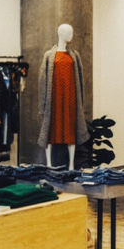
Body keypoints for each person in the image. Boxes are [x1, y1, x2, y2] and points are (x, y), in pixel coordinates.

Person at [37, 23, 89, 170]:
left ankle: (71, 165)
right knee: (50, 130)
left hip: (70, 98)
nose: (71, 35)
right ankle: (48, 164)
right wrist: (43, 105)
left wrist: (80, 102)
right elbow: (42, 82)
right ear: (60, 33)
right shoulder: (49, 56)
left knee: (70, 129)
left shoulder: (74, 56)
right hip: (54, 99)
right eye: (68, 32)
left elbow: (80, 78)